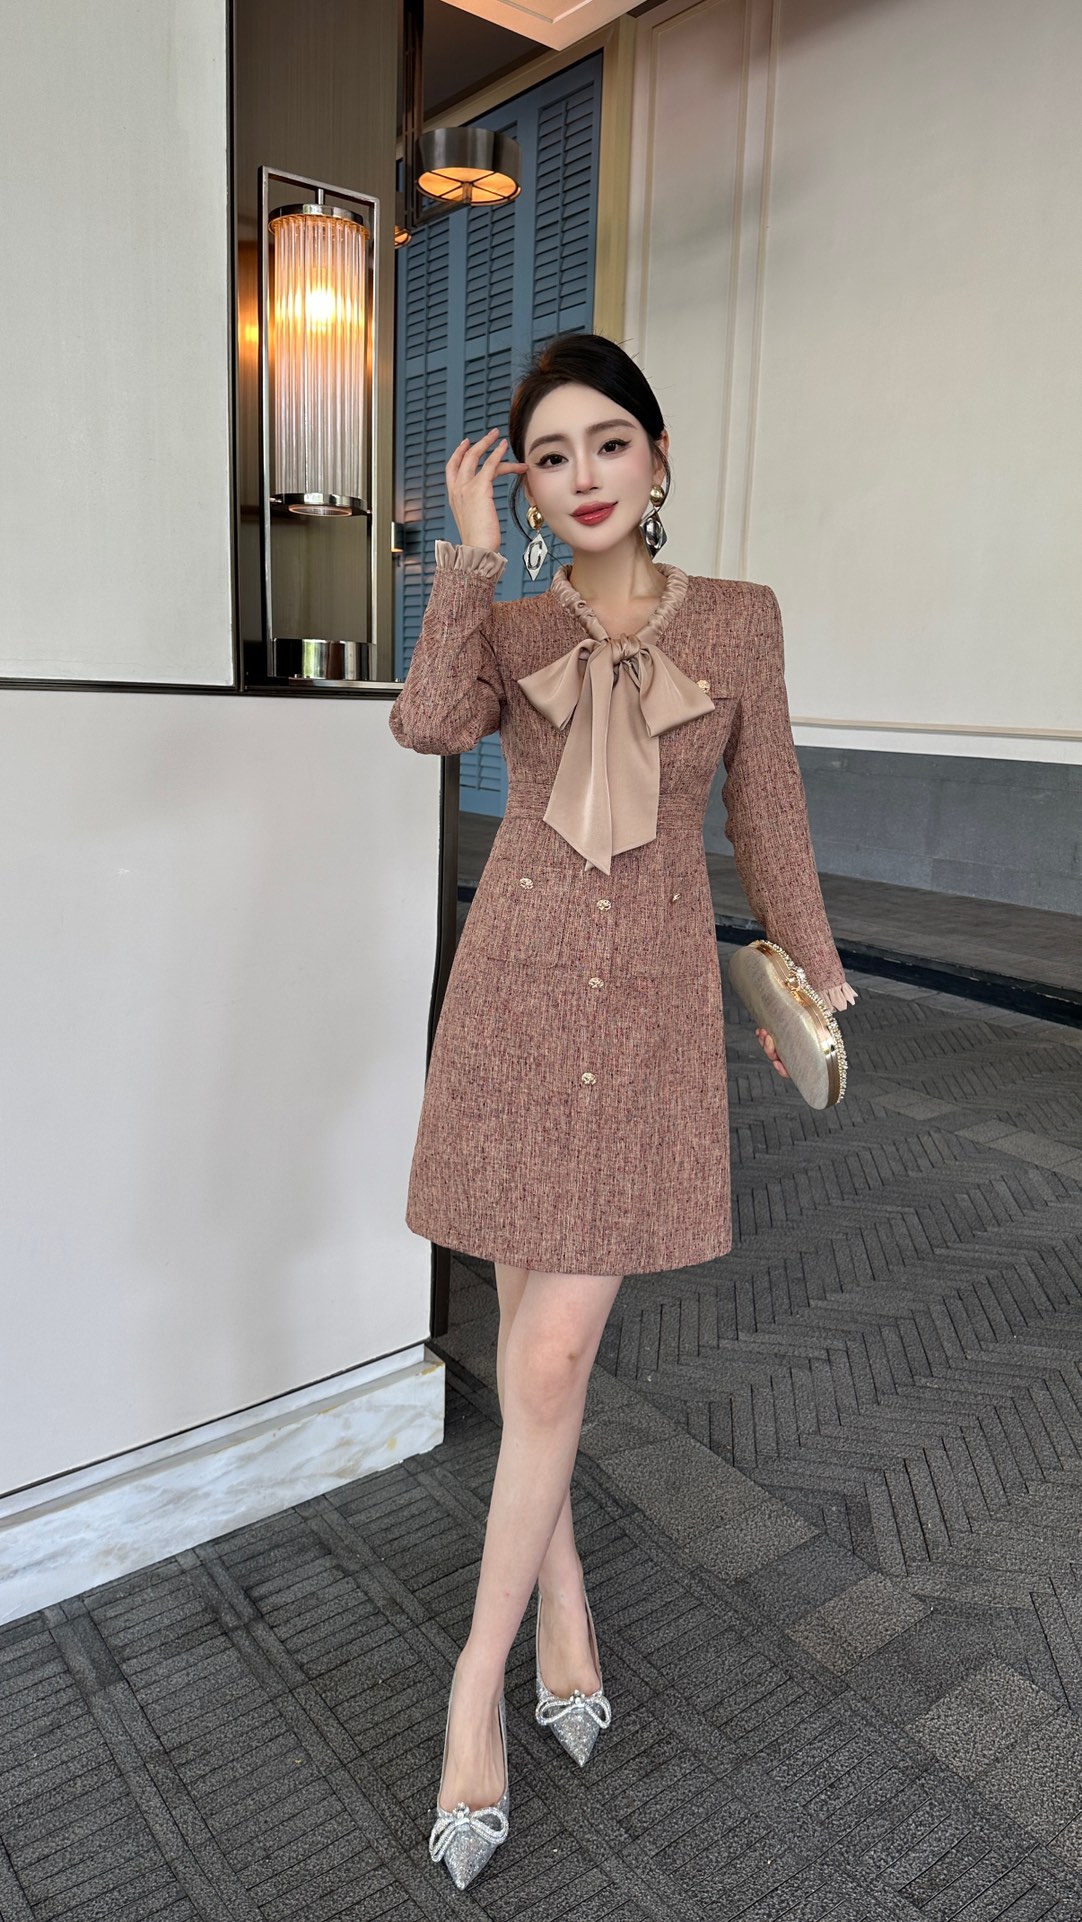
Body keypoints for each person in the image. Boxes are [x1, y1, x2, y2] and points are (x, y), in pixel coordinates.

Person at [387, 332, 857, 1888]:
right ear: (525, 488)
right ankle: (563, 1603)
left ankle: (473, 1687)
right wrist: (464, 561)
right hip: (513, 1001)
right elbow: (427, 726)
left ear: (657, 460)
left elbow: (764, 805)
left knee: (551, 1352)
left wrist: (806, 968)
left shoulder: (738, 619)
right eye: (548, 456)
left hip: (643, 1015)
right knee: (538, 1351)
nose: (580, 475)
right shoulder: (510, 620)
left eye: (606, 443)